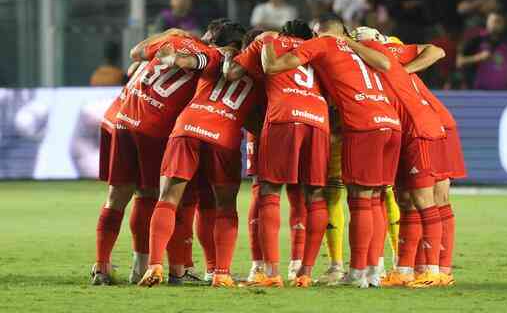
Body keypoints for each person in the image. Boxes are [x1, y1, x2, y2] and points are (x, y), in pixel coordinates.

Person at [261, 13, 401, 288]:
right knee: (376, 197)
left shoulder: (321, 43)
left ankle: (357, 272)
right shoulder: (365, 47)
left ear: (321, 31)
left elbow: (275, 66)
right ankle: (374, 270)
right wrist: (351, 42)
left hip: (363, 124)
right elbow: (385, 63)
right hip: (390, 121)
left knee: (359, 199)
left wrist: (267, 41)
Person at [89, 24, 218, 286]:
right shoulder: (212, 56)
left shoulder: (173, 38)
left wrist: (167, 34)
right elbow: (197, 62)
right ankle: (142, 267)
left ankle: (101, 267)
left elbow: (135, 53)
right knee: (151, 196)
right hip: (154, 127)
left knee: (116, 197)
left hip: (123, 118)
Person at [137, 22, 263, 288]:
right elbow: (256, 121)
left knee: (168, 199)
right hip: (224, 138)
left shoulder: (220, 57)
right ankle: (221, 273)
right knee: (225, 207)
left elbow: (195, 60)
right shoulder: (262, 77)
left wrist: (174, 57)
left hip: (187, 128)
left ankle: (155, 265)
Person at [226, 20, 329, 288]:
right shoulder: (316, 47)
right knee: (314, 194)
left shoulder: (268, 41)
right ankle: (304, 272)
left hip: (280, 117)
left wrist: (231, 53)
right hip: (318, 118)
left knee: (267, 190)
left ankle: (267, 271)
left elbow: (232, 73)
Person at [351, 27, 451, 288]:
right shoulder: (370, 59)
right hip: (402, 132)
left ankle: (433, 271)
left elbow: (437, 50)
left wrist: (402, 71)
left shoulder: (384, 53)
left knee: (425, 200)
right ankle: (405, 270)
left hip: (418, 130)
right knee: (405, 200)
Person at [458, 12, 507, 91]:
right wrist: (479, 57)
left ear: (503, 24)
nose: (495, 25)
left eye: (499, 21)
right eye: (493, 21)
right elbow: (459, 61)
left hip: (503, 92)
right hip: (479, 92)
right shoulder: (477, 40)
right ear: (487, 22)